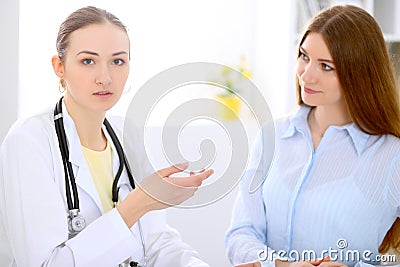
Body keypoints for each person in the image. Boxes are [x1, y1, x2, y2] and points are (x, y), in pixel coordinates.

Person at [0, 6, 214, 267]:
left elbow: (157, 243)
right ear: (59, 67)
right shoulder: (29, 141)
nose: (105, 77)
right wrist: (139, 203)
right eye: (88, 61)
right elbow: (45, 264)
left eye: (117, 61)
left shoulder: (127, 134)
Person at [225, 5, 400, 267]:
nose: (306, 75)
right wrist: (279, 265)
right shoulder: (272, 136)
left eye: (326, 66)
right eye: (304, 56)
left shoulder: (391, 156)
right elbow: (241, 234)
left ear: (360, 73)